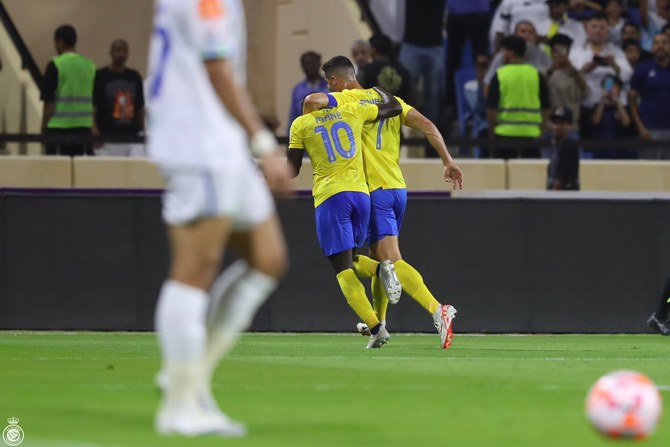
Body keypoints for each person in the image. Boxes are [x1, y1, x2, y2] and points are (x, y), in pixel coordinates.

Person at [147, 0, 292, 437]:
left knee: (267, 259)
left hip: (220, 141)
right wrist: (264, 143)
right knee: (195, 270)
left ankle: (187, 378)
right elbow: (216, 69)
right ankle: (178, 406)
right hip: (199, 141)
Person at [302, 56, 462, 349]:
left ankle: (438, 309)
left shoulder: (346, 101)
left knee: (390, 261)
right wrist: (447, 160)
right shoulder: (389, 99)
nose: (330, 88)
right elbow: (426, 124)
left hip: (372, 189)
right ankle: (380, 323)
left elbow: (313, 102)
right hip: (397, 187)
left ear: (336, 81)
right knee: (378, 259)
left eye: (330, 83)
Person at [288, 85, 403, 349]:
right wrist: (380, 90)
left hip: (331, 196)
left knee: (342, 269)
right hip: (362, 195)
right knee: (351, 258)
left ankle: (375, 327)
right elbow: (393, 108)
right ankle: (380, 268)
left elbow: (291, 170)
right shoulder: (352, 111)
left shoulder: (301, 124)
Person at [569, 13, 632, 139]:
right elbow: (569, 77)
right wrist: (584, 70)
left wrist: (614, 65)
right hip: (586, 105)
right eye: (595, 27)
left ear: (608, 30)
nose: (598, 31)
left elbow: (627, 75)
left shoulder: (616, 51)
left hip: (611, 106)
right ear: (587, 28)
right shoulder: (577, 52)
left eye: (602, 27)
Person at [486, 35, 551, 158]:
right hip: (532, 134)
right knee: (530, 174)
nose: (502, 55)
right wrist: (541, 128)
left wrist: (491, 129)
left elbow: (491, 109)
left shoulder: (500, 75)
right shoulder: (536, 74)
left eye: (504, 51)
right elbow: (546, 107)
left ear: (510, 52)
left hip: (504, 133)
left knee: (502, 175)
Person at [41, 25, 95, 156]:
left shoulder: (55, 65)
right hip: (84, 128)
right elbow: (94, 101)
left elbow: (49, 104)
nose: (55, 46)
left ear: (60, 42)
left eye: (55, 42)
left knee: (57, 171)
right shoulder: (90, 65)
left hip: (59, 128)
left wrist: (43, 128)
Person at [93, 39, 146, 157]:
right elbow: (92, 109)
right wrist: (95, 133)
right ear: (111, 53)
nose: (121, 54)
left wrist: (142, 133)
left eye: (125, 51)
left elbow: (140, 108)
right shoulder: (100, 76)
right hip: (107, 137)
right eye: (118, 50)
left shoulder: (134, 76)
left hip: (132, 136)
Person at [398, 0, 446, 125]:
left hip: (434, 45)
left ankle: (430, 131)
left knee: (434, 93)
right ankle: (402, 125)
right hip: (411, 44)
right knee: (404, 88)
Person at [444, 0, 491, 115]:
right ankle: (452, 105)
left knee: (477, 62)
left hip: (463, 13)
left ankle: (452, 106)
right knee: (456, 62)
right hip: (471, 12)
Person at [628, 32, 670, 159]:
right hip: (650, 129)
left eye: (664, 42)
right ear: (652, 47)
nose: (660, 46)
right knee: (650, 172)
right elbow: (631, 99)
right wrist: (640, 128)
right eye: (656, 43)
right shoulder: (643, 69)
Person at [484, 21, 552, 89]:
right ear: (515, 35)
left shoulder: (541, 54)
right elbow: (488, 84)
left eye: (531, 32)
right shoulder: (503, 56)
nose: (527, 35)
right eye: (523, 31)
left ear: (535, 36)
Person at [546, 34, 590, 132]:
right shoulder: (544, 71)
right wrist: (552, 68)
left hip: (571, 126)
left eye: (564, 50)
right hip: (549, 126)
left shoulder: (576, 73)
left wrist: (574, 71)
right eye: (557, 51)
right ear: (551, 52)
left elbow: (585, 93)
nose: (560, 54)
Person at [357, 33, 413, 101]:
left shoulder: (365, 72)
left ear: (373, 50)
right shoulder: (404, 72)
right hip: (400, 110)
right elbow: (413, 98)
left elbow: (356, 95)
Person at [286, 51, 329, 135]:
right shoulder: (298, 89)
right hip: (305, 136)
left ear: (319, 64)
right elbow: (293, 115)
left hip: (326, 135)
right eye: (306, 64)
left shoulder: (329, 86)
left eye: (312, 63)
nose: (309, 67)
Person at [591, 75, 632, 158]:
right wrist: (603, 99)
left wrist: (616, 100)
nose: (610, 89)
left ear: (619, 89)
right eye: (607, 86)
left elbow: (626, 122)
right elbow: (596, 121)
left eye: (614, 86)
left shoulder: (624, 108)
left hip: (620, 151)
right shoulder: (597, 106)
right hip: (601, 151)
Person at [546, 106, 580, 190]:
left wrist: (550, 198)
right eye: (555, 123)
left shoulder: (569, 147)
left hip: (565, 196)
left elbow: (559, 180)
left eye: (561, 123)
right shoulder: (552, 145)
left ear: (569, 126)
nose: (557, 127)